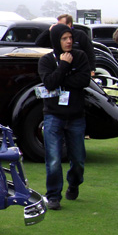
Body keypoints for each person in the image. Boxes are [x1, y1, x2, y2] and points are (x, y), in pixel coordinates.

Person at [38, 24, 91, 210]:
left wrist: (61, 78)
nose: (69, 41)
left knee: (78, 159)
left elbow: (84, 80)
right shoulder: (46, 60)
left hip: (76, 116)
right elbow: (50, 83)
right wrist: (64, 66)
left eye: (70, 38)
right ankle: (53, 196)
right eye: (64, 38)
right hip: (53, 115)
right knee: (53, 159)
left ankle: (74, 182)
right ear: (56, 41)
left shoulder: (81, 56)